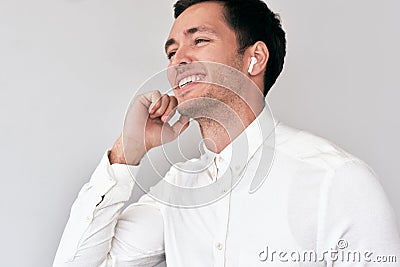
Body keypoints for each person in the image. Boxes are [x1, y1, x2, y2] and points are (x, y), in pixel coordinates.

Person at [54, 0, 400, 266]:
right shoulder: (177, 191)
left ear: (255, 58)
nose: (178, 60)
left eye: (199, 40)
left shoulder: (335, 179)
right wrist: (127, 152)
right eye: (172, 52)